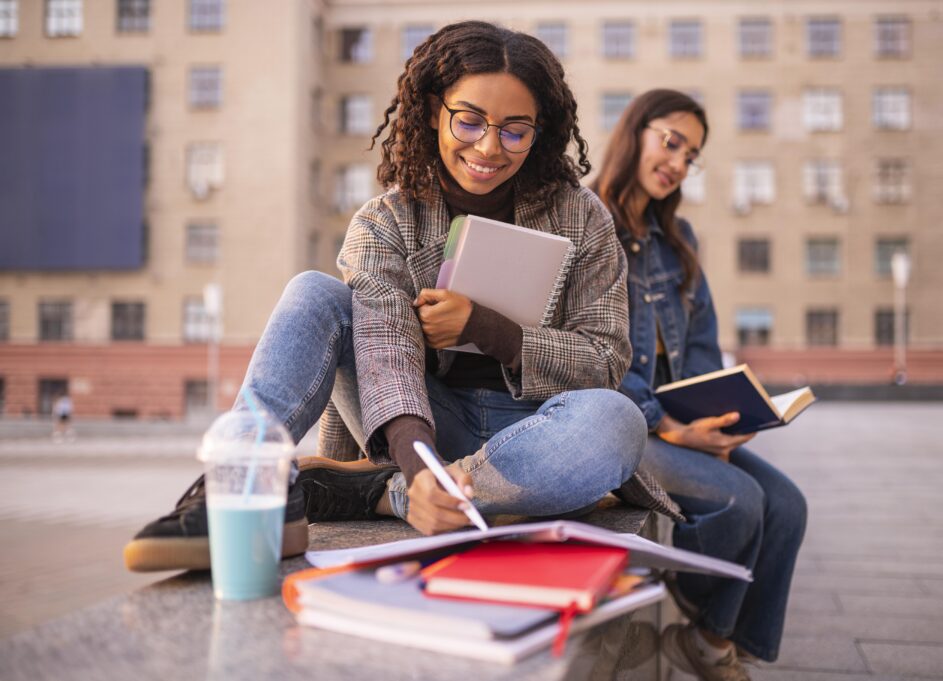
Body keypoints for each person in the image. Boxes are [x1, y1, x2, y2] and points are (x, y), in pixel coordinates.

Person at [124, 21, 647, 572]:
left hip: (541, 432)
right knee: (314, 293)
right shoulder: (384, 221)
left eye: (516, 130)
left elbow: (604, 362)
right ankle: (243, 486)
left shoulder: (583, 217)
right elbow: (384, 354)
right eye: (469, 121)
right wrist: (421, 463)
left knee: (616, 421)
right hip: (423, 420)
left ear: (541, 131)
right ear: (431, 112)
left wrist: (485, 328)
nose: (490, 147)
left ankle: (383, 493)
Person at [593, 89, 808, 680]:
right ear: (634, 132)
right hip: (623, 423)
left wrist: (724, 414)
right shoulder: (587, 223)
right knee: (742, 502)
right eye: (671, 142)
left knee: (788, 505)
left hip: (683, 423)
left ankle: (710, 641)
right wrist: (672, 427)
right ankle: (705, 635)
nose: (679, 163)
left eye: (691, 156)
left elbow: (705, 350)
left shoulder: (678, 239)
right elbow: (597, 355)